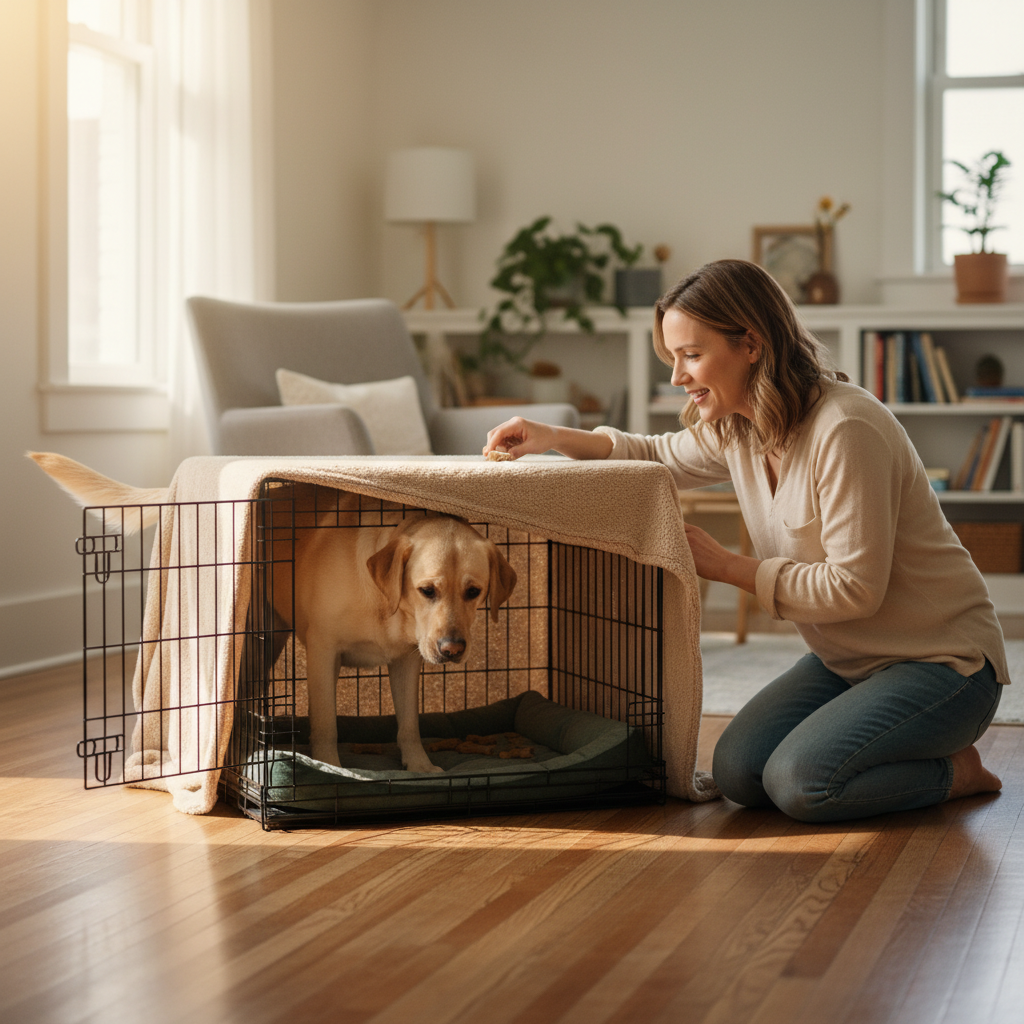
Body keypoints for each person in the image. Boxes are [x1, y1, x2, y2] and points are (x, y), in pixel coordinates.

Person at [482, 258, 1006, 823]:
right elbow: (655, 454)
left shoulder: (846, 430)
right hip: (849, 661)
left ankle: (958, 772)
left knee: (801, 783)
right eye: (673, 358)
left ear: (751, 344)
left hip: (944, 666)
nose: (678, 377)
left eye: (691, 355)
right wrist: (551, 435)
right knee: (737, 772)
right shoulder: (740, 428)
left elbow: (856, 590)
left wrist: (730, 567)